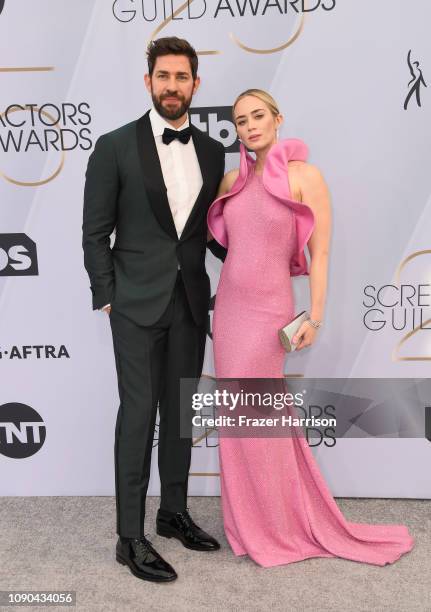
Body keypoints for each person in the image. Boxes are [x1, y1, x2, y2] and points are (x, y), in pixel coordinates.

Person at [207, 89, 415, 568]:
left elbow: (319, 253)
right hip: (232, 310)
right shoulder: (232, 180)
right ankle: (250, 524)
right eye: (240, 121)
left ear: (278, 118)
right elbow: (228, 248)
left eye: (258, 115)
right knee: (240, 420)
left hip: (269, 312)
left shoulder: (306, 177)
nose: (250, 126)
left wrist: (315, 315)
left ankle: (280, 527)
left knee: (260, 418)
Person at [82, 36, 226, 583]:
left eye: (182, 77)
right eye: (163, 77)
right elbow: (95, 233)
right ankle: (129, 537)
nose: (172, 86)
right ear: (149, 82)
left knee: (183, 419)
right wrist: (108, 295)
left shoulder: (213, 153)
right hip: (135, 306)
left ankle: (173, 514)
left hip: (190, 303)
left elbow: (211, 234)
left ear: (195, 83)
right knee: (139, 419)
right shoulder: (114, 146)